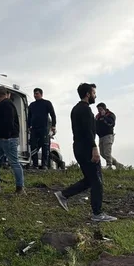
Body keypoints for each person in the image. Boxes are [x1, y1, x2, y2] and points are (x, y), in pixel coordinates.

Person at [54, 83, 117, 222]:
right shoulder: (86, 110)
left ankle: (63, 194)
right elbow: (88, 132)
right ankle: (97, 214)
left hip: (78, 147)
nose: (95, 96)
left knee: (90, 179)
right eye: (94, 93)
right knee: (97, 181)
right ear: (88, 94)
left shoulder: (75, 109)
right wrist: (94, 148)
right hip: (87, 148)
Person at [0, 86, 25, 194]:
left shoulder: (6, 104)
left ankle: (20, 188)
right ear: (6, 94)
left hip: (7, 138)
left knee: (13, 162)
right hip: (2, 138)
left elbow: (8, 122)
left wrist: (4, 135)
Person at [28, 87, 57, 169]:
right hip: (34, 129)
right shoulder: (32, 105)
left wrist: (53, 126)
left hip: (44, 128)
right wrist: (28, 126)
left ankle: (44, 164)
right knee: (33, 146)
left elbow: (53, 115)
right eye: (34, 94)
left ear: (41, 94)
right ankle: (35, 164)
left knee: (45, 146)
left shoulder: (47, 103)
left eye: (37, 93)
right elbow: (29, 116)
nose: (35, 95)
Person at [96, 103, 124, 170]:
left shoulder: (110, 114)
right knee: (102, 153)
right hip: (101, 136)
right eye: (98, 109)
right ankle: (118, 164)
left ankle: (109, 165)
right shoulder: (97, 116)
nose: (99, 111)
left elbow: (111, 123)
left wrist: (104, 117)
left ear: (104, 108)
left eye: (100, 109)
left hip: (108, 136)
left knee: (107, 152)